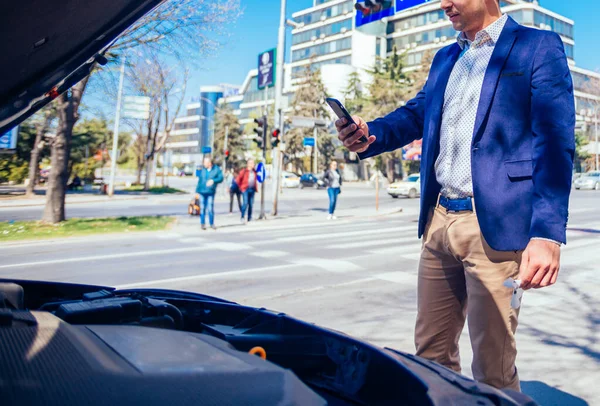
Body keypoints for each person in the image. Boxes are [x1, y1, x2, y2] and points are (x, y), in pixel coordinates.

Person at [336, 0, 574, 392]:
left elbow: (555, 141)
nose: (444, 4)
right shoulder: (447, 57)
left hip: (495, 226)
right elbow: (417, 114)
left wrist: (547, 234)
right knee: (430, 357)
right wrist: (370, 133)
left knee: (493, 370)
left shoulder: (537, 46)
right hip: (440, 221)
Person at [195, 157, 224, 230]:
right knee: (202, 208)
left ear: (209, 163)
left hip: (210, 192)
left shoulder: (216, 169)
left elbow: (221, 178)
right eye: (204, 162)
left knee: (210, 208)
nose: (204, 163)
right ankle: (202, 224)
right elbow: (200, 181)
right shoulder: (203, 170)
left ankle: (211, 223)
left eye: (205, 162)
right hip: (202, 191)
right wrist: (197, 192)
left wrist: (213, 180)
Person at [236, 159, 258, 224]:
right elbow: (238, 180)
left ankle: (249, 217)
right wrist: (241, 187)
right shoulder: (244, 171)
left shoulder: (254, 171)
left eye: (253, 163)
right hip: (245, 189)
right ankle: (242, 216)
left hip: (252, 189)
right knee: (245, 203)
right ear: (248, 164)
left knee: (251, 204)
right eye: (251, 163)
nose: (253, 164)